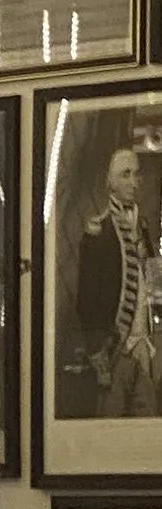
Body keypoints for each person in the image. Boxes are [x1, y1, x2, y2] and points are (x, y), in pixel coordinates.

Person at [77, 143, 159, 416]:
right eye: (126, 174)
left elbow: (152, 283)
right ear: (110, 182)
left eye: (136, 174)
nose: (134, 182)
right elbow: (86, 298)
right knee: (109, 422)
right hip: (114, 347)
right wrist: (98, 348)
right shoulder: (98, 231)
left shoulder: (143, 228)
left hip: (143, 347)